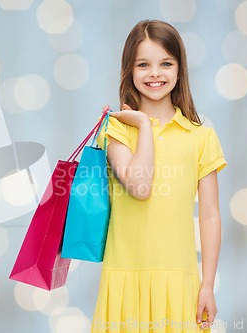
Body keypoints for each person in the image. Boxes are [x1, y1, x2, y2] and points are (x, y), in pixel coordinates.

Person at [93, 20, 227, 332]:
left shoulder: (200, 136)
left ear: (180, 70)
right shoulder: (117, 130)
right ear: (130, 70)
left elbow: (209, 215)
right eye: (144, 64)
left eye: (166, 63)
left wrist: (207, 285)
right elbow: (140, 186)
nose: (155, 73)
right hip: (126, 277)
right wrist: (142, 126)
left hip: (180, 281)